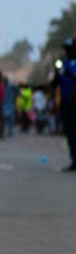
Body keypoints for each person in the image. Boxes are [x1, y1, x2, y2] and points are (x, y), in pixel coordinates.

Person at [54, 39, 76, 171]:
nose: (67, 52)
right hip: (66, 102)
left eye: (70, 49)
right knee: (70, 133)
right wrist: (58, 73)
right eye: (66, 49)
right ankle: (74, 159)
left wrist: (69, 73)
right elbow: (56, 83)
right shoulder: (64, 64)